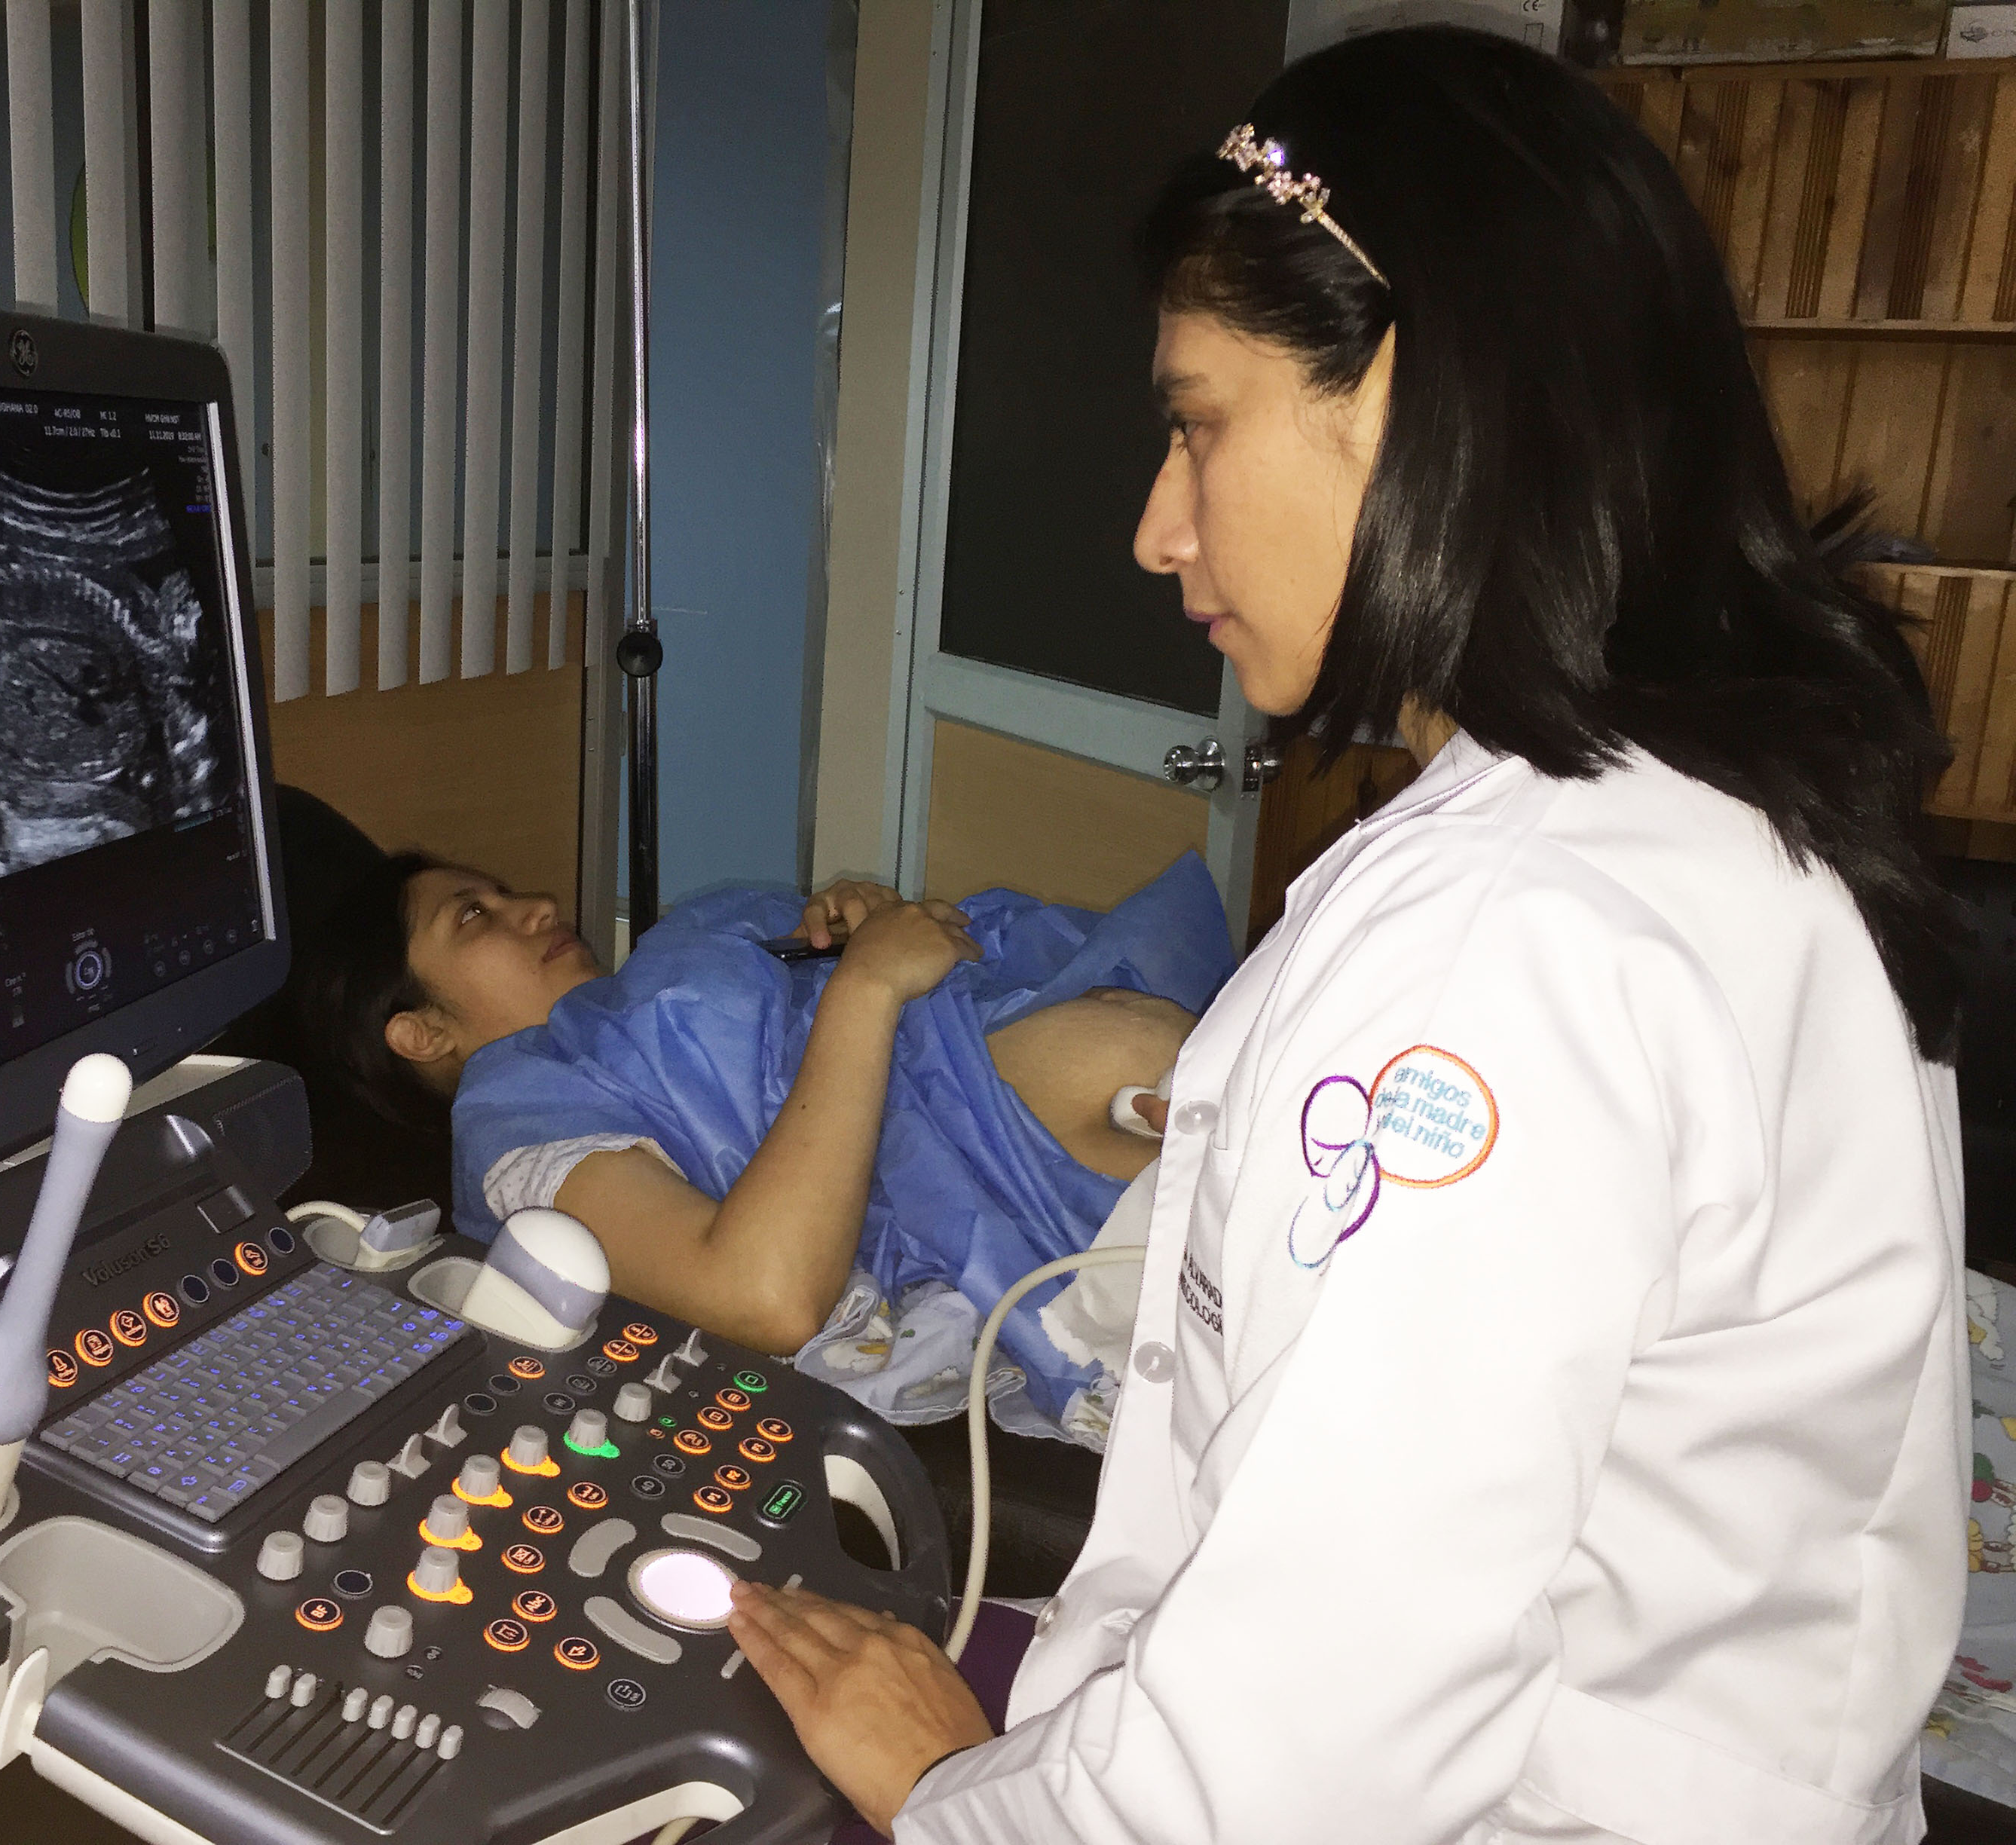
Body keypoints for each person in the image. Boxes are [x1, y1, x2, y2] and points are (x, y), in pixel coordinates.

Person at [723, 26, 1967, 1843]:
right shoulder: (1694, 818)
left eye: (1199, 421)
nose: (1157, 527)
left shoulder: (1505, 945)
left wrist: (942, 1788)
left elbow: (1293, 1756)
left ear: (1415, 399)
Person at [293, 849, 1238, 1434]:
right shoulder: (518, 1125)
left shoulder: (656, 981)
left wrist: (840, 935)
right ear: (421, 1033)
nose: (535, 903)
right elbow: (764, 1294)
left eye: (502, 890)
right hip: (1081, 1185)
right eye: (475, 917)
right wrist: (867, 987)